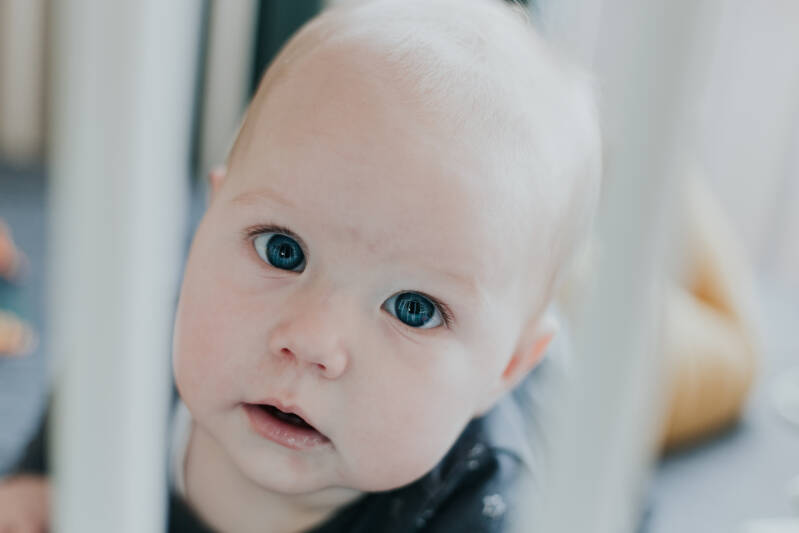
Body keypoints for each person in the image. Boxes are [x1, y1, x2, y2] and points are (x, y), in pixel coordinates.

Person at [0, 0, 602, 531]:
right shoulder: (145, 351)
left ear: (506, 369)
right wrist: (39, 482)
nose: (312, 341)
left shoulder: (482, 502)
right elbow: (83, 410)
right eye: (281, 250)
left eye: (413, 309)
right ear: (210, 221)